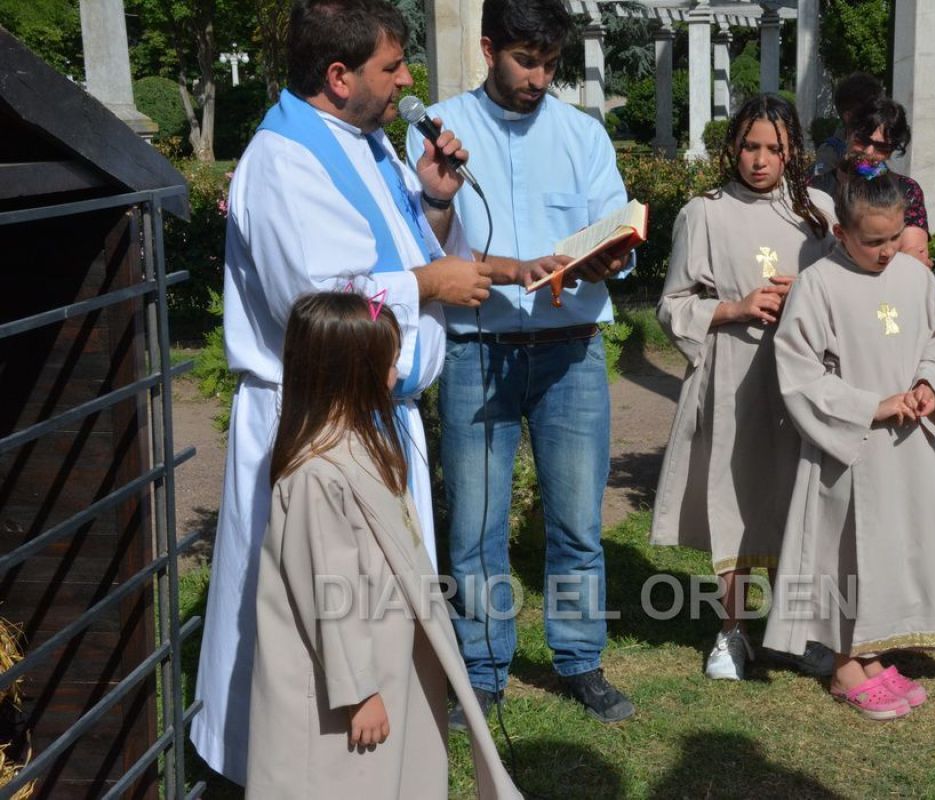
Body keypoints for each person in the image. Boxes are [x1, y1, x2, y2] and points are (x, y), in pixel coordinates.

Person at [192, 0, 501, 783]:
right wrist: (432, 281)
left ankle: (385, 757)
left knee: (381, 608)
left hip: (378, 421)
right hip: (314, 427)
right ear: (339, 77)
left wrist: (432, 199)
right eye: (392, 68)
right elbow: (319, 306)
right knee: (313, 609)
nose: (406, 83)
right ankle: (281, 764)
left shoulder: (367, 144)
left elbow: (393, 251)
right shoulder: (284, 161)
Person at [406, 0, 635, 725]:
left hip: (572, 352)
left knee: (575, 521)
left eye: (550, 65)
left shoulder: (582, 134)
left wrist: (607, 262)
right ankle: (482, 668)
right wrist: (452, 216)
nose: (538, 78)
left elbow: (612, 229)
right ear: (486, 48)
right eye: (524, 61)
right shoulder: (441, 128)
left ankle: (580, 660)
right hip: (477, 350)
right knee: (476, 526)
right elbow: (422, 244)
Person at [246, 292, 519, 799]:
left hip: (385, 656)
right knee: (341, 781)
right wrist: (358, 692)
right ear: (350, 373)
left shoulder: (358, 444)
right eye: (388, 363)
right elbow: (329, 594)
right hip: (347, 683)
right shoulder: (316, 475)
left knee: (389, 777)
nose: (396, 373)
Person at [764, 166, 935, 720]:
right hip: (850, 450)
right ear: (841, 234)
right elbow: (797, 372)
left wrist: (928, 387)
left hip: (911, 444)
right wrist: (872, 405)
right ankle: (843, 664)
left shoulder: (915, 277)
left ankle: (871, 651)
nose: (887, 252)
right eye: (872, 242)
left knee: (892, 546)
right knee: (845, 554)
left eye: (894, 238)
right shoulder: (818, 284)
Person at [652, 94, 836, 681]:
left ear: (792, 152)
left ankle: (799, 629)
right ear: (733, 146)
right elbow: (672, 305)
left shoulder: (820, 215)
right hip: (731, 373)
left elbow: (843, 294)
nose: (760, 160)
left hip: (801, 379)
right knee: (734, 499)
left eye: (774, 149)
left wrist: (804, 300)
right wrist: (734, 306)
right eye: (750, 146)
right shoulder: (703, 213)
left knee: (798, 497)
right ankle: (731, 631)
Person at [809, 95, 932, 266]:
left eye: (881, 147)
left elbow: (914, 259)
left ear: (892, 150)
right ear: (848, 133)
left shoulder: (905, 191)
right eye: (862, 140)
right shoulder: (814, 187)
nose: (868, 152)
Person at [809, 71, 884, 179]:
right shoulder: (831, 151)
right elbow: (822, 189)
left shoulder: (880, 143)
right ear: (849, 116)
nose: (877, 115)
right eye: (871, 110)